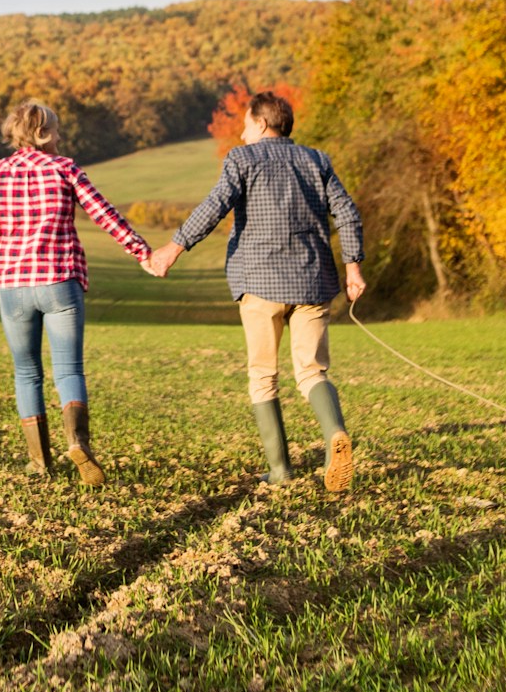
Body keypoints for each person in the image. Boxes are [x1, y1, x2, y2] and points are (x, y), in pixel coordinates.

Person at [0, 101, 151, 485]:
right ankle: (78, 442)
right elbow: (105, 214)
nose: (60, 136)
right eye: (55, 129)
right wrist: (142, 253)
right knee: (69, 369)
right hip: (59, 282)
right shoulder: (65, 168)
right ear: (42, 133)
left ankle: (39, 463)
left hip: (13, 287)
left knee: (26, 373)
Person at [146, 90, 366, 491]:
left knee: (264, 375)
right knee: (312, 371)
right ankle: (335, 433)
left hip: (260, 281)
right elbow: (348, 212)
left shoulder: (242, 159)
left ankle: (280, 471)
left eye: (246, 125)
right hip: (313, 279)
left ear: (262, 124)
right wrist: (353, 267)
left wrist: (174, 246)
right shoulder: (317, 160)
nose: (243, 135)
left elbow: (216, 204)